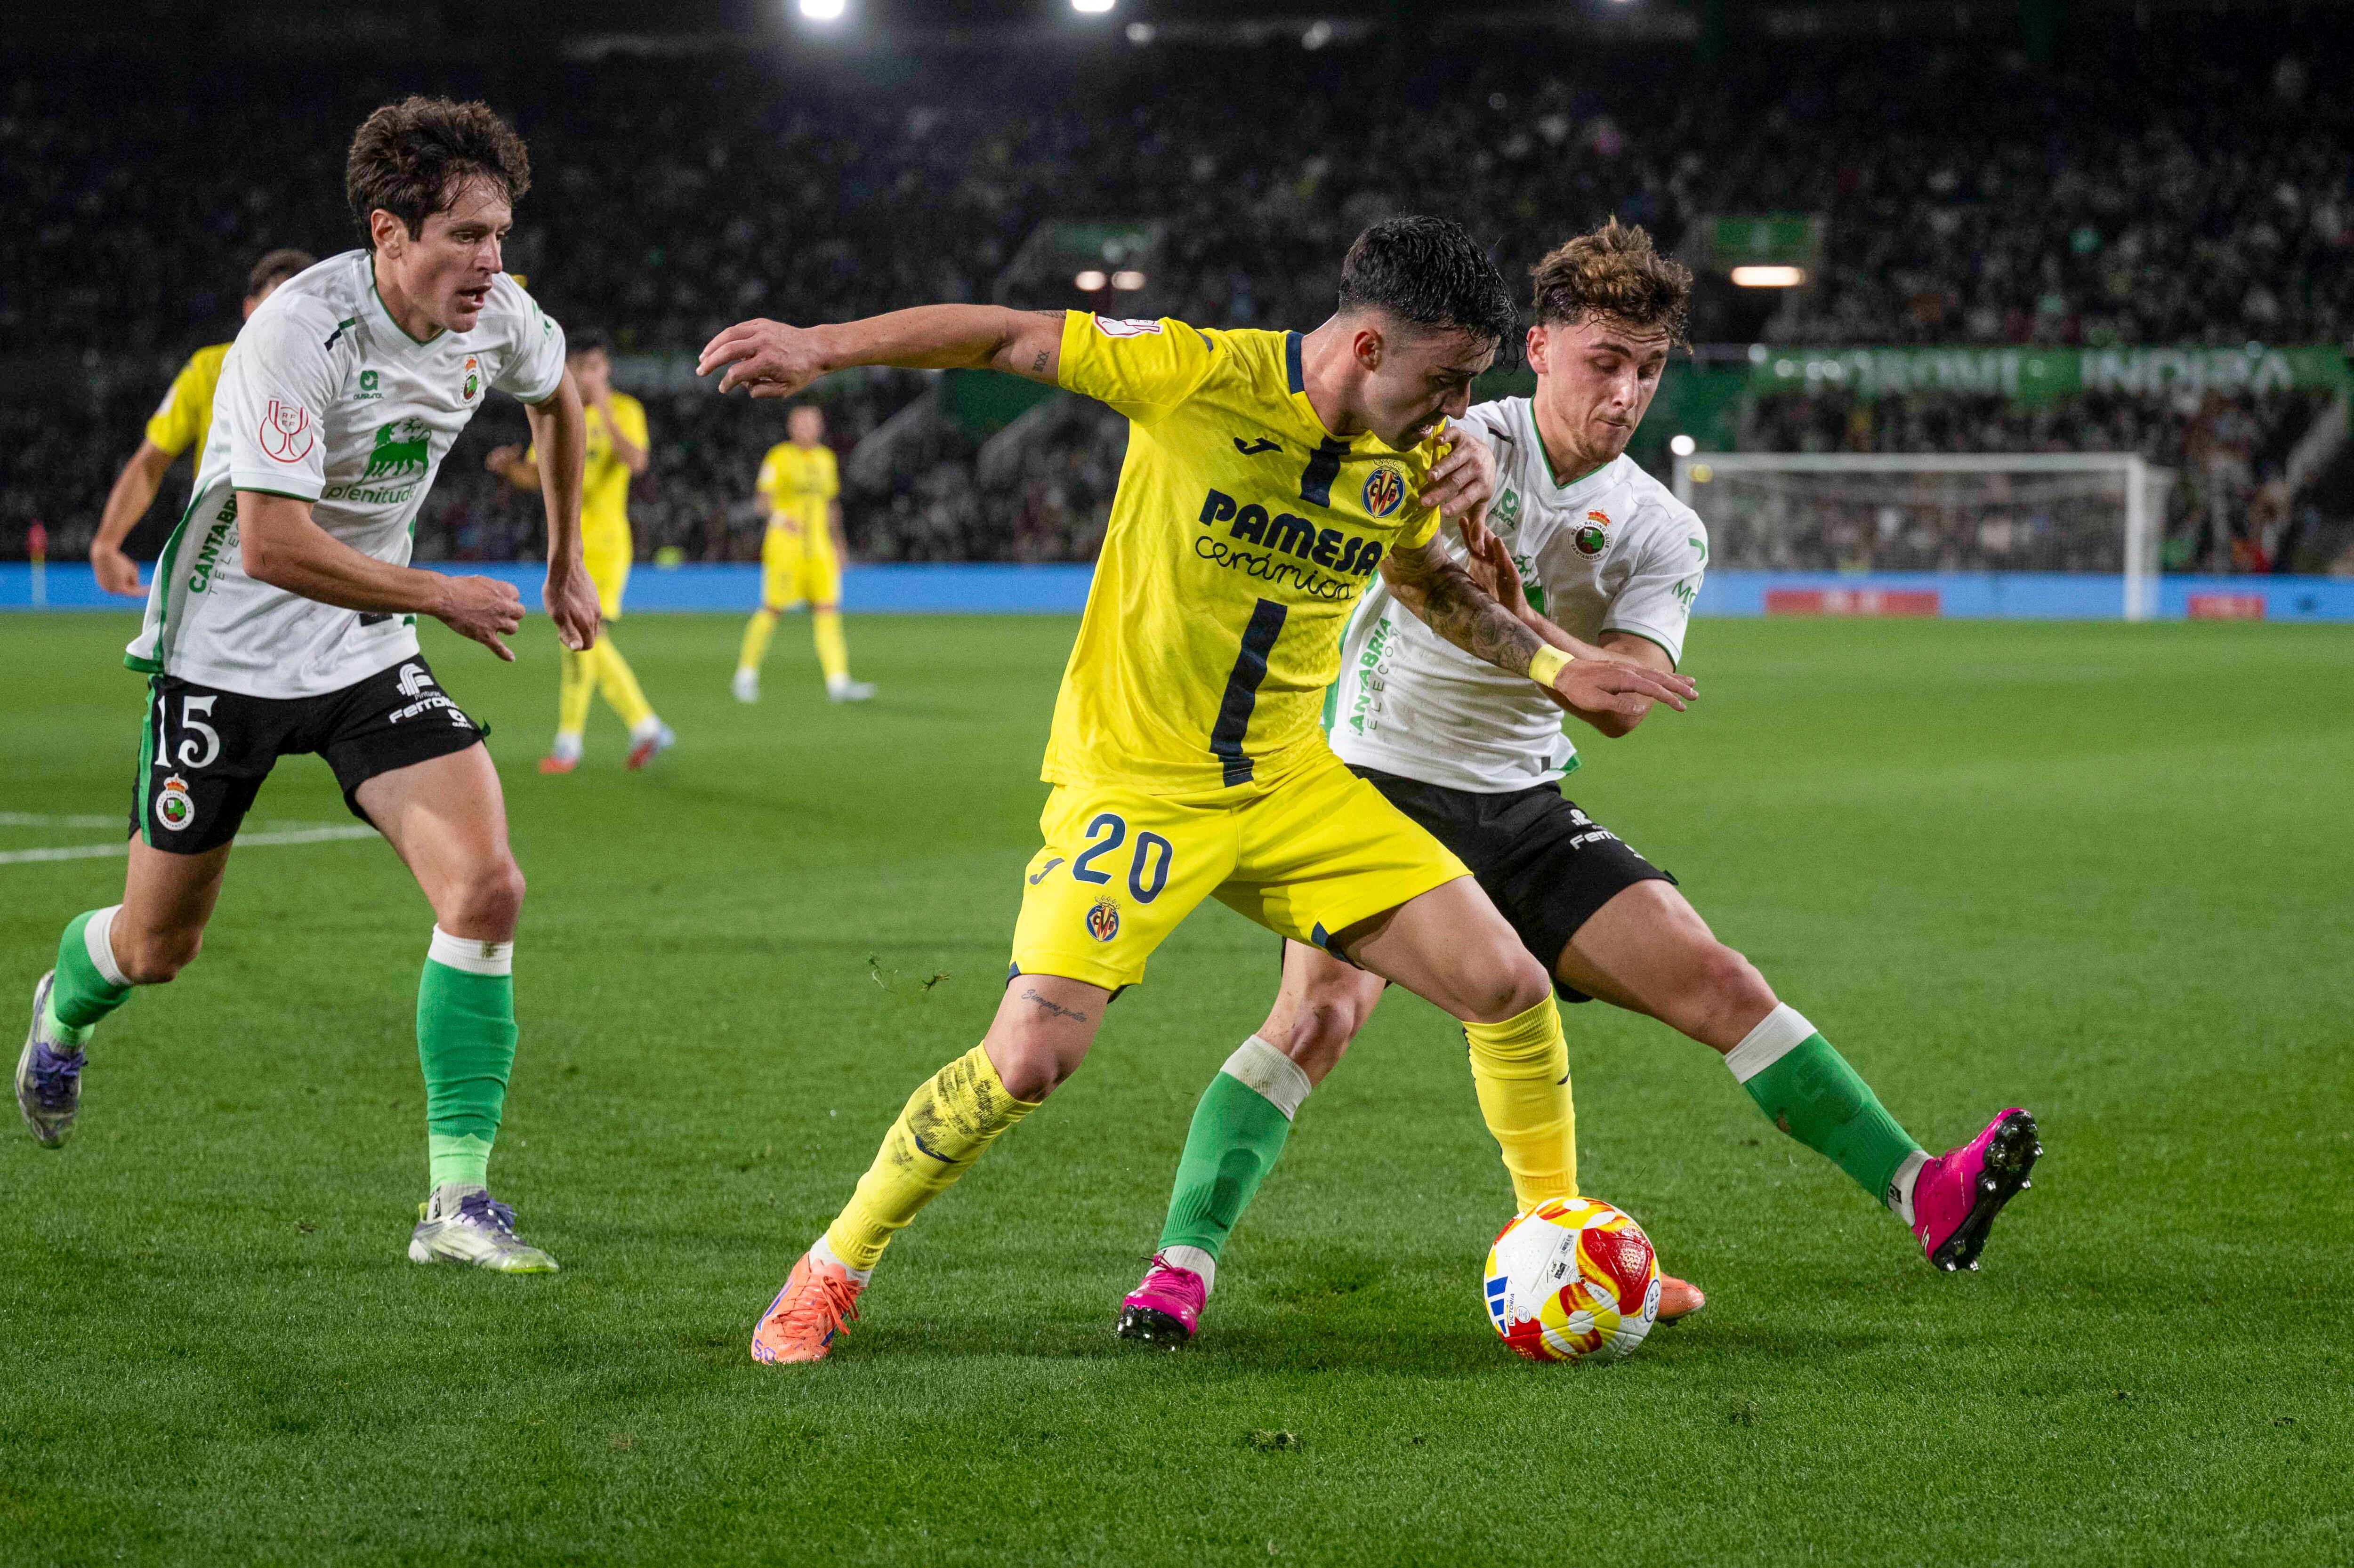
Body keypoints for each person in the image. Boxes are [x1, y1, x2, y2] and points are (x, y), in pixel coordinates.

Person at [700, 215, 1700, 1365]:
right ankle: (830, 1268)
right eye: (1448, 380)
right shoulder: (1195, 372)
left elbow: (1427, 581)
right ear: (1369, 349)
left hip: (1290, 782)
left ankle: (1562, 1254)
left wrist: (1552, 663)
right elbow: (1004, 337)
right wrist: (821, 347)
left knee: (1505, 982)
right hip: (1136, 782)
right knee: (1029, 1058)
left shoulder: (1416, 448)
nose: (1461, 409)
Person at [1117, 221, 2041, 1345]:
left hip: (1522, 805)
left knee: (1721, 980)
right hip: (1373, 782)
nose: (1627, 392)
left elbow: (1620, 699)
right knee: (1316, 1014)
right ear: (1540, 346)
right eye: (1606, 361)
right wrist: (1536, 627)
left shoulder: (1664, 526)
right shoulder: (1444, 429)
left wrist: (1562, 646)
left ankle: (1923, 1191)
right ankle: (1178, 1266)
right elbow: (1423, 581)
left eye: (1648, 369)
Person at [15, 96, 601, 1275]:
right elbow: (274, 544)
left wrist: (563, 553)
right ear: (389, 236)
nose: (490, 261)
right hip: (224, 656)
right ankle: (63, 1005)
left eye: (499, 233)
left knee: (486, 889)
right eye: (463, 237)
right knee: (156, 944)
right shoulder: (294, 335)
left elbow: (559, 402)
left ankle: (455, 1199)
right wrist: (439, 590)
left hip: (362, 649)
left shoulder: (502, 315)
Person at [486, 329, 675, 771]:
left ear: (605, 369)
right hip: (567, 543)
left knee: (587, 636)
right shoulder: (557, 414)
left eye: (594, 368)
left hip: (607, 544)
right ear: (568, 368)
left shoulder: (627, 410)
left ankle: (619, 731)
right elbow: (538, 476)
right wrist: (510, 468)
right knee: (575, 641)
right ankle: (596, 737)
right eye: (579, 368)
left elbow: (637, 461)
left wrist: (604, 408)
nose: (587, 377)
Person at [88, 249, 318, 597]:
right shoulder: (210, 369)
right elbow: (151, 462)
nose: (283, 325)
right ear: (249, 310)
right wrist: (106, 544)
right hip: (222, 566)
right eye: (272, 309)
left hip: (313, 568)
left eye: (298, 312)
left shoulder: (347, 379)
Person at [733, 402, 873, 703]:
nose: (807, 428)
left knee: (827, 611)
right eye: (802, 423)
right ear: (791, 427)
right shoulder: (779, 457)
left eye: (813, 423)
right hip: (786, 547)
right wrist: (783, 520)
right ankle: (745, 676)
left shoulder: (826, 459)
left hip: (820, 548)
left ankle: (838, 683)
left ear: (820, 427)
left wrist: (839, 543)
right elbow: (762, 502)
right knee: (772, 609)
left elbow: (831, 505)